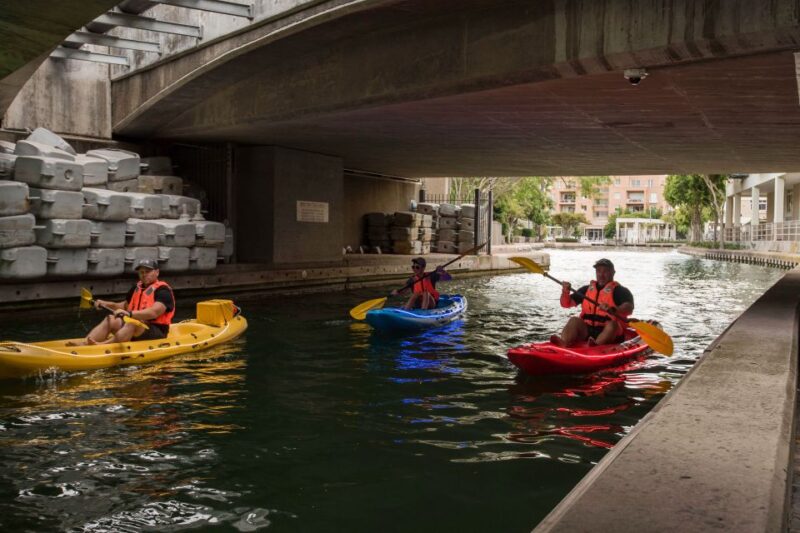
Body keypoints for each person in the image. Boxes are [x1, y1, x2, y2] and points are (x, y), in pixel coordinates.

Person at [81, 259, 175, 345]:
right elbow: (124, 306)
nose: (144, 274)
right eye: (141, 272)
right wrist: (105, 303)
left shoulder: (163, 291)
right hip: (137, 327)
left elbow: (154, 312)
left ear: (157, 272)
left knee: (132, 322)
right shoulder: (136, 288)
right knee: (111, 319)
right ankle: (85, 344)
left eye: (148, 271)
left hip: (157, 332)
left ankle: (103, 345)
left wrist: (129, 314)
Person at [550, 258, 634, 347]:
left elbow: (629, 307)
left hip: (611, 333)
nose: (601, 275)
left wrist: (614, 309)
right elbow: (566, 304)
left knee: (613, 324)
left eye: (605, 271)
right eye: (598, 271)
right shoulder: (586, 289)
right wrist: (565, 292)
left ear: (613, 272)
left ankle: (596, 346)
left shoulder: (620, 291)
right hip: (588, 331)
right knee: (574, 320)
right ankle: (564, 343)